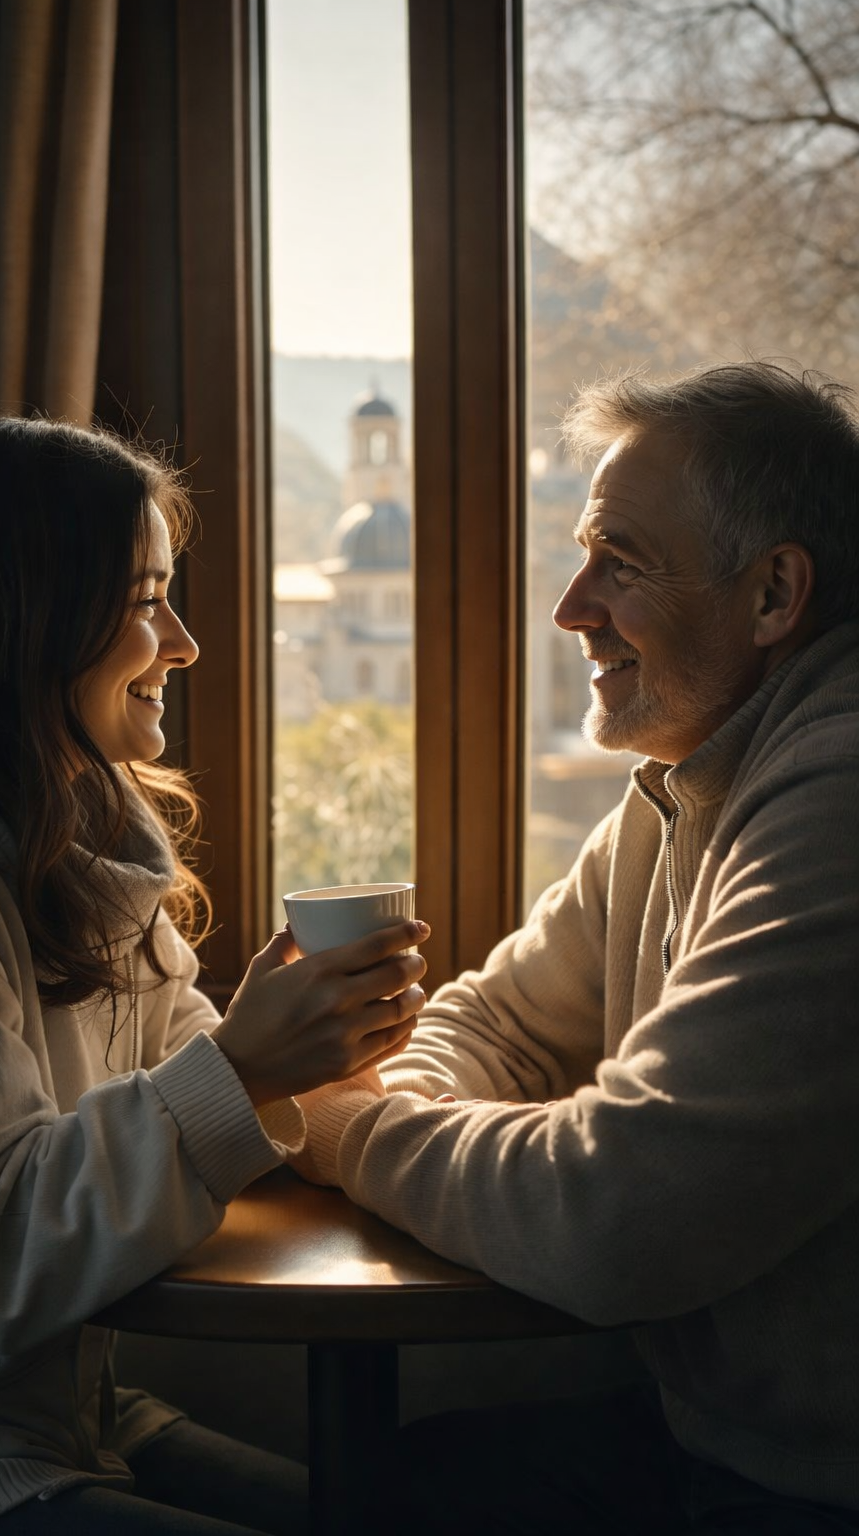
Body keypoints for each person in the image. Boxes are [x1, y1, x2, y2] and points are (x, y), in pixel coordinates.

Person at [0, 413, 429, 1536]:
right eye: (147, 598)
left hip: (72, 1416)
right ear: (23, 613)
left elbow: (184, 1069)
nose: (188, 642)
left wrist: (320, 1060)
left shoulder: (74, 834)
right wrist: (246, 1068)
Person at [291, 360, 859, 1533]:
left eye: (620, 561)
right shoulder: (685, 778)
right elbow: (496, 1017)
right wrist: (408, 1092)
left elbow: (621, 1215)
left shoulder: (836, 798)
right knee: (388, 1487)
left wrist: (350, 1130)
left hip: (812, 1486)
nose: (568, 608)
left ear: (774, 595)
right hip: (724, 1439)